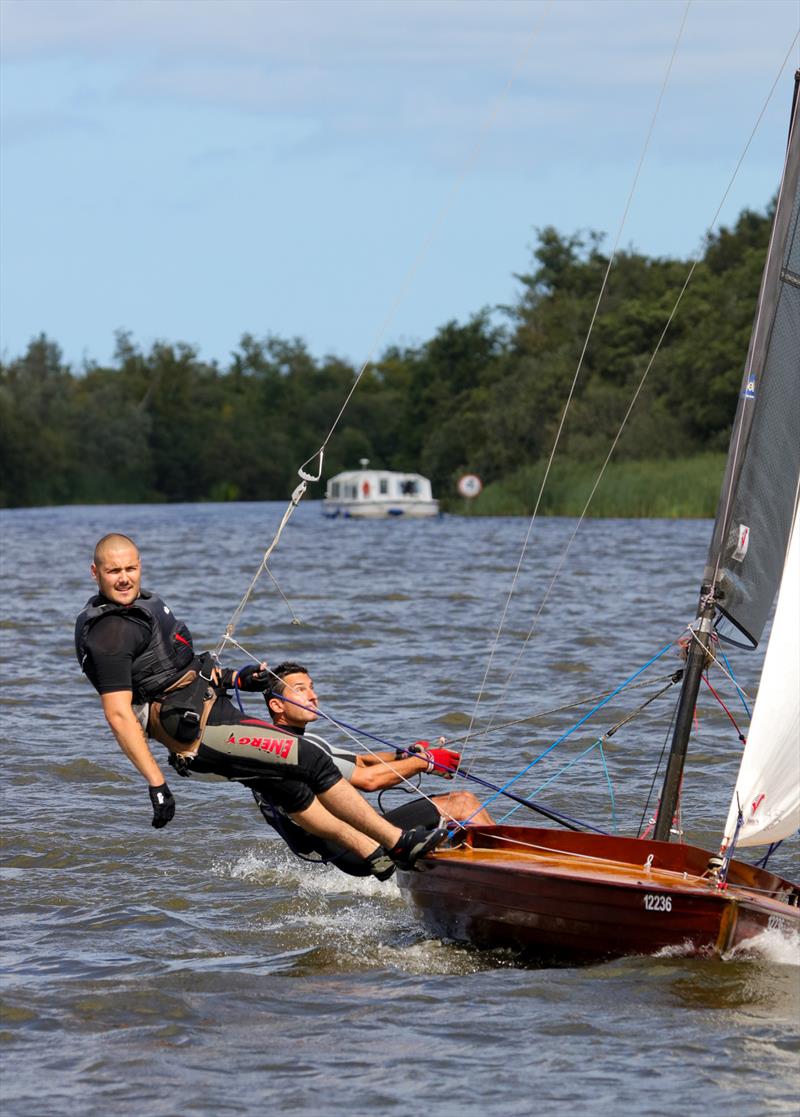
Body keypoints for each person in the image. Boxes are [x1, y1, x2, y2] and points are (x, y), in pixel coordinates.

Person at [74, 533, 447, 880]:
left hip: (210, 710)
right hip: (198, 731)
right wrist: (156, 783)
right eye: (113, 571)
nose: (124, 579)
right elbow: (119, 714)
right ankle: (398, 842)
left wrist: (238, 679)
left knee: (288, 785)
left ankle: (370, 851)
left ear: (140, 565)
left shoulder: (144, 607)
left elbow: (180, 672)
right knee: (311, 760)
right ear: (96, 573)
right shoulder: (111, 634)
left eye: (130, 568)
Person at [252, 661, 493, 876]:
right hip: (356, 847)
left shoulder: (283, 742)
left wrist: (405, 755)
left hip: (345, 846)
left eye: (312, 687)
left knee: (442, 826)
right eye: (300, 689)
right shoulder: (298, 749)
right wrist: (426, 762)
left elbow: (360, 761)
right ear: (277, 705)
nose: (313, 696)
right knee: (462, 803)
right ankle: (517, 865)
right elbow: (369, 781)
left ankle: (460, 873)